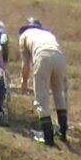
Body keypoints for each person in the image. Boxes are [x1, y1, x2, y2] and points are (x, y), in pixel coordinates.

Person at [19, 16, 68, 147]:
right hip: (59, 57)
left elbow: (25, 64)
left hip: (42, 56)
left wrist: (24, 82)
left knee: (41, 99)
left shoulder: (24, 35)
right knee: (58, 94)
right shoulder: (48, 34)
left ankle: (48, 138)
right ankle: (63, 133)